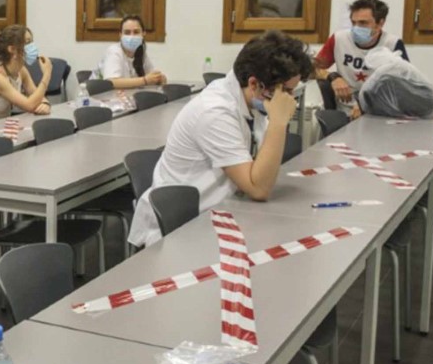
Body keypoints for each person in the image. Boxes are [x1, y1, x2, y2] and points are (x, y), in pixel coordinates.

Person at [129, 30, 314, 250]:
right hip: (180, 232)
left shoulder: (249, 100)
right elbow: (258, 188)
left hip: (222, 212)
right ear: (255, 84)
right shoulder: (215, 111)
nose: (290, 100)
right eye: (287, 92)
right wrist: (279, 122)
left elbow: (258, 173)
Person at [313, 0, 409, 109]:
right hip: (345, 107)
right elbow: (312, 70)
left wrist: (365, 105)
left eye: (363, 23)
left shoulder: (392, 44)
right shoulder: (339, 39)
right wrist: (333, 77)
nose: (356, 28)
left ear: (380, 24)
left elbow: (404, 84)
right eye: (353, 22)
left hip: (378, 107)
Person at [0, 25, 51, 122]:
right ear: (12, 49)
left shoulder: (22, 70)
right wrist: (47, 74)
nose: (32, 47)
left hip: (3, 123)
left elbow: (36, 95)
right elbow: (29, 105)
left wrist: (45, 104)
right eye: (27, 42)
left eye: (31, 42)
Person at [94, 15, 168, 90]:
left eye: (136, 32)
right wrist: (144, 80)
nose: (131, 36)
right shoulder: (114, 51)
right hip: (98, 96)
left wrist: (159, 78)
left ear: (143, 33)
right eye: (127, 32)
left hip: (122, 97)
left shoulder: (140, 51)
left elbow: (151, 74)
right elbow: (112, 82)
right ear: (120, 35)